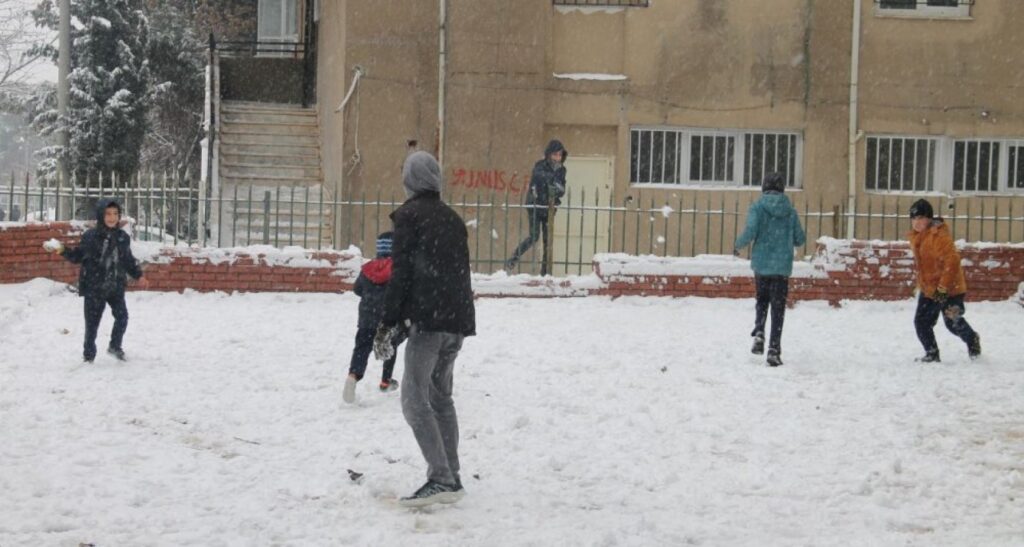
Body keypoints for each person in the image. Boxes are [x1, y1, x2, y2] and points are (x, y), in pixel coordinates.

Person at [374, 151, 476, 508]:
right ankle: (453, 474)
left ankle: (441, 477)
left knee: (414, 400)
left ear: (410, 180)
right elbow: (457, 272)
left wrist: (387, 322)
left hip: (430, 323)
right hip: (456, 322)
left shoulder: (410, 217)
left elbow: (402, 274)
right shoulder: (453, 219)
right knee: (440, 397)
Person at [45, 198, 148, 363]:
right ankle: (89, 355)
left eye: (115, 214)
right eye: (108, 214)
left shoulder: (123, 237)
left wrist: (138, 275)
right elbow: (78, 256)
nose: (112, 217)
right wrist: (62, 250)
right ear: (101, 215)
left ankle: (115, 346)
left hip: (115, 286)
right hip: (95, 287)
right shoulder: (91, 237)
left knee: (122, 317)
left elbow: (127, 260)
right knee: (92, 324)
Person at [734, 172, 806, 367]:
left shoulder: (757, 208)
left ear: (764, 187)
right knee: (778, 309)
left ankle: (759, 332)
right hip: (781, 268)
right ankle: (774, 350)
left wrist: (738, 244)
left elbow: (750, 231)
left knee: (762, 301)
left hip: (762, 265)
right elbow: (800, 239)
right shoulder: (790, 212)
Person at [907, 198, 981, 363]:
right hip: (929, 289)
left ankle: (972, 340)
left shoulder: (938, 235)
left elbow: (952, 262)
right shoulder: (918, 237)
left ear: (929, 218)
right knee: (921, 322)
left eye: (920, 218)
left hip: (950, 289)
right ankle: (932, 353)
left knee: (952, 321)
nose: (916, 222)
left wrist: (943, 288)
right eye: (913, 219)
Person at [342, 231, 405, 404]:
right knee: (390, 345)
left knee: (362, 348)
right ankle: (386, 380)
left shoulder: (368, 268)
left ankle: (353, 376)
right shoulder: (398, 269)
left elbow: (357, 290)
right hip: (388, 317)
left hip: (366, 317)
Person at [504, 140, 568, 275]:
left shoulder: (562, 169)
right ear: (549, 154)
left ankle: (545, 272)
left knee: (547, 241)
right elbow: (539, 179)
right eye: (555, 154)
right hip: (535, 205)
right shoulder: (540, 165)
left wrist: (553, 185)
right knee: (534, 237)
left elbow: (561, 190)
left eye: (560, 155)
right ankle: (514, 258)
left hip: (549, 208)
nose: (558, 158)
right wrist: (552, 183)